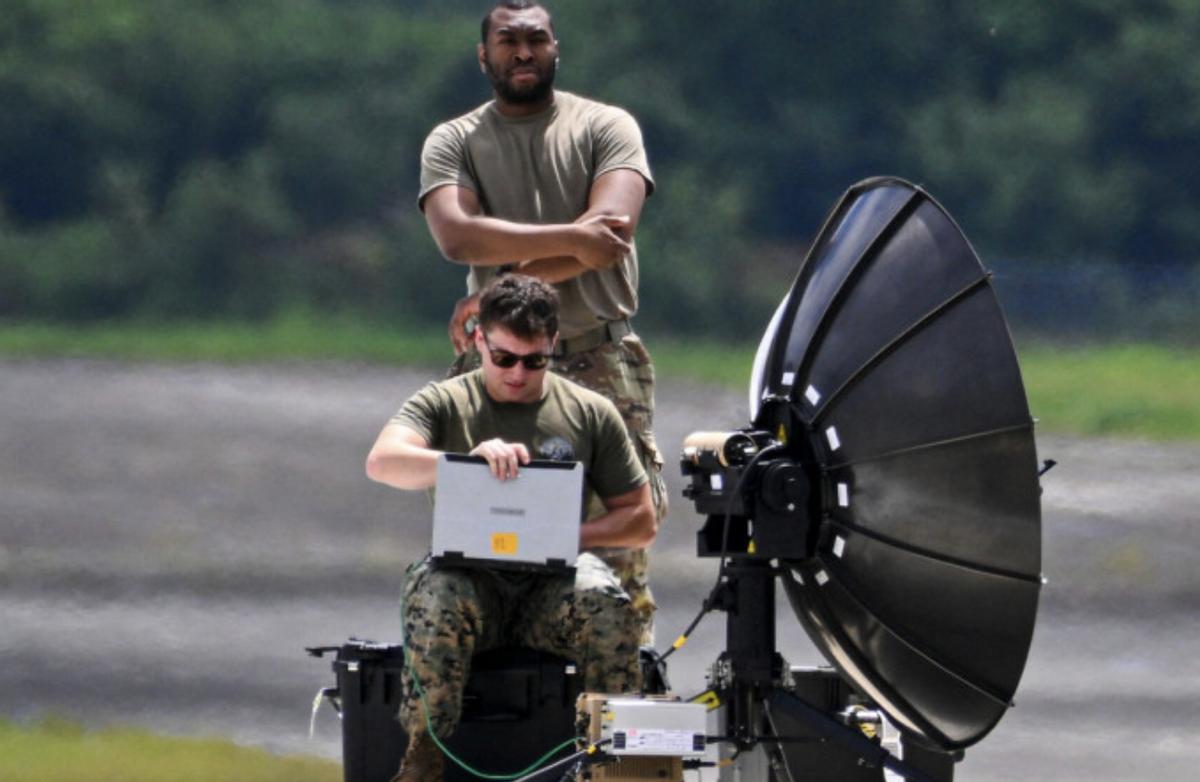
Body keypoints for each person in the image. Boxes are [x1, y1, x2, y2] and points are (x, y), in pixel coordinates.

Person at [417, 0, 666, 641]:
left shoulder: (606, 127)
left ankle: (620, 690)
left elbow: (613, 234)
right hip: (496, 365)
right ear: (484, 55)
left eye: (536, 40)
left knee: (619, 550)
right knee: (481, 537)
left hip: (597, 357)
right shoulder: (455, 140)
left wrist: (505, 282)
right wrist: (570, 242)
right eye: (507, 41)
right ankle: (487, 698)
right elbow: (456, 236)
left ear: (557, 48)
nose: (522, 52)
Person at [366, 275, 655, 782]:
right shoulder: (446, 401)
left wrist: (568, 535)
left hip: (552, 584)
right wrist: (461, 462)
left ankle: (612, 761)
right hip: (473, 582)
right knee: (436, 591)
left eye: (534, 361)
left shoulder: (588, 411)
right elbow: (383, 462)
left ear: (551, 348)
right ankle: (425, 753)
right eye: (504, 358)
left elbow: (640, 518)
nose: (518, 374)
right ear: (479, 340)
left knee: (608, 604)